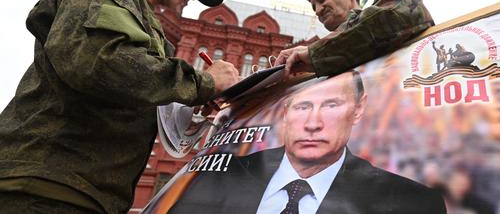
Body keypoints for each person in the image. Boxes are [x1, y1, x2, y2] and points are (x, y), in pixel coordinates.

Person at [0, 0, 240, 214]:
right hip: (45, 185)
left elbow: (132, 89)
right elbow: (100, 62)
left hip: (86, 193)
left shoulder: (147, 25)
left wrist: (191, 103)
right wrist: (204, 82)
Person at [165, 71, 446, 213]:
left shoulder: (411, 202)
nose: (313, 123)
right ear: (285, 113)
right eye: (302, 108)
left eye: (331, 105)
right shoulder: (216, 177)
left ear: (358, 109)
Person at [273, 0, 434, 77]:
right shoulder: (322, 60)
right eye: (314, 6)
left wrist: (314, 53)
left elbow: (405, 13)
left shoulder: (394, 4)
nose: (318, 10)